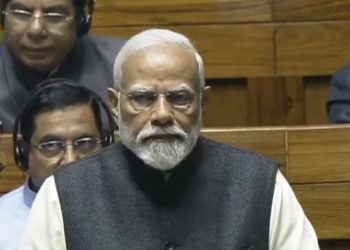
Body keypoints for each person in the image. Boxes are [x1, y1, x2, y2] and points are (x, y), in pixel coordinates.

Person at [20, 29, 320, 250]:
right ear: (114, 104)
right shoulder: (63, 193)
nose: (162, 114)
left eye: (179, 98)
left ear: (202, 102)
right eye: (142, 98)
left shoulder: (261, 186)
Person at [0, 79, 115, 250]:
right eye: (51, 146)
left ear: (105, 144)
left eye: (84, 143)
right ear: (23, 153)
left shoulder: (130, 211)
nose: (70, 160)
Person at [0, 0, 124, 132]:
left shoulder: (123, 67)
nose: (36, 30)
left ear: (81, 20)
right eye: (21, 13)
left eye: (54, 15)